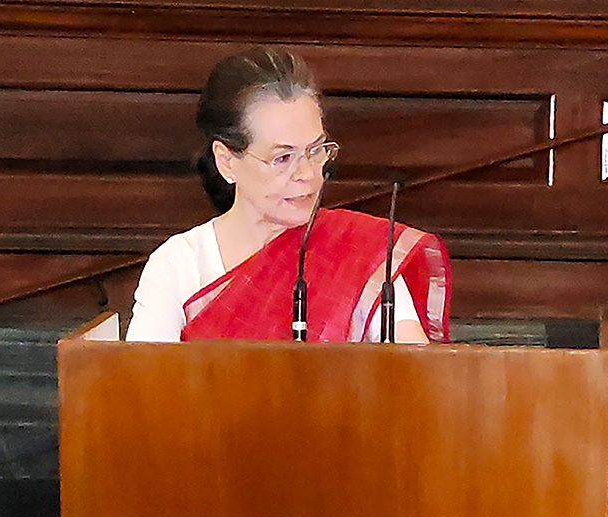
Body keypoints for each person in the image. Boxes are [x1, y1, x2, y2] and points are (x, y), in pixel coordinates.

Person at [126, 46, 450, 344]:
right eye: (283, 158)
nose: (307, 174)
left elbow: (418, 375)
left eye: (316, 150)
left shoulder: (360, 253)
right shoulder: (180, 266)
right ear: (226, 161)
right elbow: (140, 383)